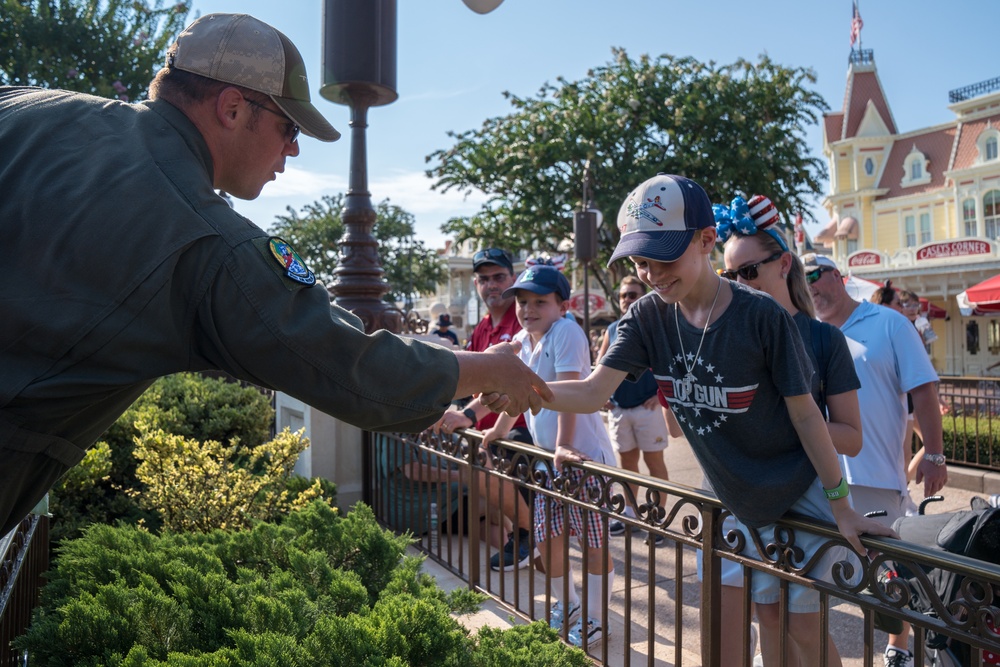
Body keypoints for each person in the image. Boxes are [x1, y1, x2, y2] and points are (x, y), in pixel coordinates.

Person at [0, 13, 551, 537]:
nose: (293, 148)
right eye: (289, 126)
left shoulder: (26, 107)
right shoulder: (211, 245)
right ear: (232, 108)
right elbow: (346, 364)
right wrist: (488, 370)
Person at [527, 173, 894, 667]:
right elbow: (594, 390)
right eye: (641, 262)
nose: (653, 274)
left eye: (665, 258)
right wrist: (524, 390)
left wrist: (842, 505)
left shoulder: (763, 316)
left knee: (801, 629)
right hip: (731, 497)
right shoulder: (645, 318)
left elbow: (807, 417)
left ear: (705, 240)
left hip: (796, 493)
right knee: (758, 625)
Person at [718, 194, 863, 666]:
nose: (739, 283)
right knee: (770, 621)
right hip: (753, 500)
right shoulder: (726, 336)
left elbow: (851, 436)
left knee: (804, 627)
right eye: (730, 275)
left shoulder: (824, 338)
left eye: (748, 271)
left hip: (808, 501)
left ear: (783, 264)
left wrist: (797, 418)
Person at [807, 253, 948, 667]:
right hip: (816, 479)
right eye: (802, 277)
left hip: (876, 478)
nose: (809, 284)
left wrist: (935, 454)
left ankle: (899, 647)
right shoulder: (805, 331)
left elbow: (922, 389)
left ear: (837, 276)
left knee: (889, 577)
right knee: (809, 576)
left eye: (815, 274)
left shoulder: (889, 323)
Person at [480, 263, 617, 649]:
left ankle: (596, 618)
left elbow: (571, 393)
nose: (528, 309)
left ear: (562, 304)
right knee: (548, 540)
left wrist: (562, 444)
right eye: (522, 301)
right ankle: (567, 606)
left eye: (540, 301)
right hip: (548, 462)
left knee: (592, 544)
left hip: (580, 458)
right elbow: (520, 395)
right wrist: (499, 429)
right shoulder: (524, 341)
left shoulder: (567, 331)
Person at [432, 248, 537, 571]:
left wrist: (468, 415)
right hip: (487, 429)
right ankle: (523, 536)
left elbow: (508, 382)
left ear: (513, 279)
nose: (491, 285)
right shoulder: (481, 328)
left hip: (520, 426)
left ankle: (527, 535)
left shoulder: (523, 320)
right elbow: (469, 377)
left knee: (482, 462)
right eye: (484, 279)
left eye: (499, 278)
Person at [595, 275, 672, 546]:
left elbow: (672, 364)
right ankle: (630, 516)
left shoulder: (657, 326)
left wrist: (659, 394)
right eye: (624, 295)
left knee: (654, 465)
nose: (628, 299)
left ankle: (657, 519)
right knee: (627, 466)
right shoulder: (613, 329)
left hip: (647, 409)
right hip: (619, 410)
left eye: (633, 294)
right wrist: (602, 393)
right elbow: (601, 362)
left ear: (643, 295)